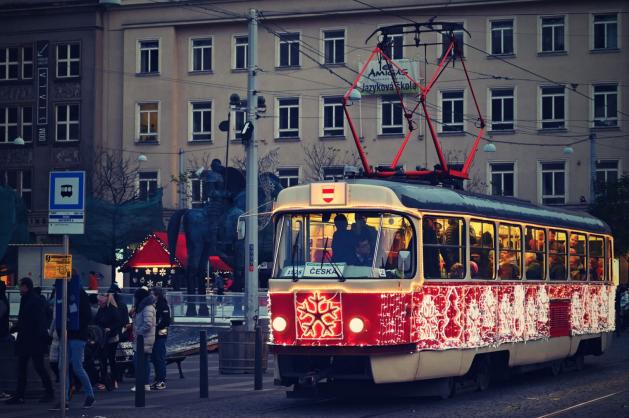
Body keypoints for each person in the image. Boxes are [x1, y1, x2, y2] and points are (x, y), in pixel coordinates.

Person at [5, 277, 54, 405]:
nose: (19, 289)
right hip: (31, 340)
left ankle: (45, 392)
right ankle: (24, 394)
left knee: (32, 367)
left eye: (20, 286)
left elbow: (32, 321)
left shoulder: (31, 301)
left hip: (31, 340)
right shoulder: (30, 299)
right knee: (32, 367)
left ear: (26, 287)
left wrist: (15, 327)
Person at [57, 275, 95, 410]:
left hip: (75, 335)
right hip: (74, 334)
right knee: (69, 367)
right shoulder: (75, 292)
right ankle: (65, 399)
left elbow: (86, 316)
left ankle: (72, 398)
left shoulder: (76, 293)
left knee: (73, 367)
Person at [131, 287, 156, 392]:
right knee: (145, 362)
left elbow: (148, 324)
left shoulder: (147, 308)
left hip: (143, 339)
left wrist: (138, 331)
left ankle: (141, 383)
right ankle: (145, 384)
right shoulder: (147, 307)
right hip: (146, 338)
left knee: (138, 362)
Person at [94, 292, 120, 391]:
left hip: (111, 338)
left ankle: (112, 380)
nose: (99, 304)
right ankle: (106, 379)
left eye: (101, 302)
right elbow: (96, 320)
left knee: (110, 359)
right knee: (104, 359)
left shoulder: (112, 310)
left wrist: (110, 328)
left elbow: (118, 322)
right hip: (103, 337)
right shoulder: (102, 309)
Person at [151, 287, 171, 390]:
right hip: (156, 334)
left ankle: (161, 379)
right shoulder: (155, 305)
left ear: (157, 295)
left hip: (160, 334)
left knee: (159, 357)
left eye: (152, 294)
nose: (151, 296)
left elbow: (166, 321)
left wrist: (155, 326)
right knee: (155, 357)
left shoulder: (163, 305)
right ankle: (158, 378)